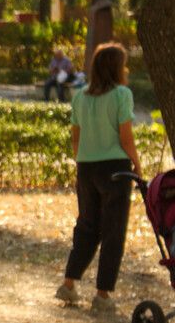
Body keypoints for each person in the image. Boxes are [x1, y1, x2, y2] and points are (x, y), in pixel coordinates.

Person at [55, 42, 141, 314]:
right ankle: (102, 294)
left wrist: (83, 162)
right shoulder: (122, 95)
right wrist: (137, 166)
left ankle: (68, 283)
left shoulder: (80, 96)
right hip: (115, 167)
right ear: (117, 68)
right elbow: (125, 137)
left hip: (86, 166)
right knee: (113, 231)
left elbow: (75, 137)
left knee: (87, 226)